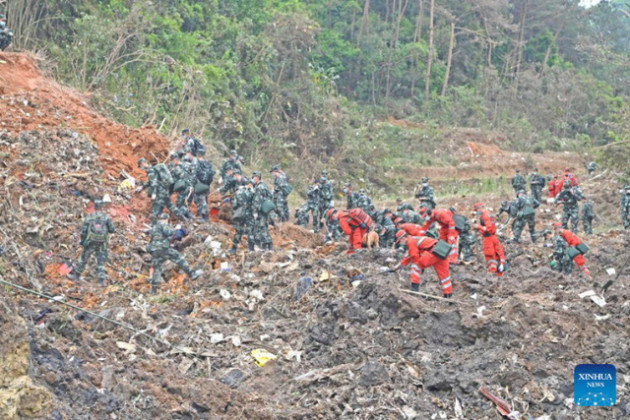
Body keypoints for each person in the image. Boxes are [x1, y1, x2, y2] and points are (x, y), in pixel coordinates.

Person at [148, 213, 203, 294]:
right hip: (162, 248)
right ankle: (192, 274)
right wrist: (177, 230)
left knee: (157, 268)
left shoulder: (154, 227)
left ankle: (153, 290)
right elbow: (170, 233)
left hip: (154, 250)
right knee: (179, 258)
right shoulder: (163, 224)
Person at [68, 199, 115, 285]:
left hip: (90, 242)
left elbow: (84, 231)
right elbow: (112, 230)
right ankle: (101, 281)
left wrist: (83, 241)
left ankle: (76, 276)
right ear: (102, 207)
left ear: (95, 206)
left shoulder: (89, 217)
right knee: (101, 261)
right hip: (102, 243)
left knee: (83, 258)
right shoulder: (106, 217)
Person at [391, 231, 452, 297]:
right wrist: (397, 267)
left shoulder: (410, 241)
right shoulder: (414, 239)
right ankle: (448, 294)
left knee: (415, 267)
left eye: (400, 241)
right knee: (445, 276)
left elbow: (414, 255)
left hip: (433, 253)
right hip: (441, 252)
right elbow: (409, 256)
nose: (401, 243)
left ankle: (414, 288)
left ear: (403, 238)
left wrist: (420, 266)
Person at [138, 157, 183, 223]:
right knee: (171, 206)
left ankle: (154, 227)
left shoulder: (150, 170)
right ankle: (185, 219)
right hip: (165, 190)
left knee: (155, 210)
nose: (140, 168)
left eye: (140, 166)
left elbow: (154, 183)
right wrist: (142, 186)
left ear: (143, 164)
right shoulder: (153, 168)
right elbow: (152, 181)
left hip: (159, 192)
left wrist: (154, 194)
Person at [473, 203, 505, 277]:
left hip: (488, 239)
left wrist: (478, 227)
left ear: (479, 208)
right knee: (498, 252)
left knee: (490, 256)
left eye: (477, 210)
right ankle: (498, 273)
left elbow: (488, 228)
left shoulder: (485, 216)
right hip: (493, 237)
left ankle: (492, 275)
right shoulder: (488, 214)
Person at [231, 178, 255, 253]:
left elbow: (234, 204)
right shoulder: (253, 193)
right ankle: (251, 250)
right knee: (250, 232)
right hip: (249, 215)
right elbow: (256, 204)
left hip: (240, 213)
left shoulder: (239, 191)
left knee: (238, 231)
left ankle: (233, 249)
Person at [251, 171, 274, 250]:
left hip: (261, 211)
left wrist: (255, 212)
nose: (253, 179)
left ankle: (266, 245)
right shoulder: (264, 185)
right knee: (261, 226)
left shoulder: (259, 188)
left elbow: (257, 201)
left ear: (257, 178)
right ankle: (262, 243)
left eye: (253, 177)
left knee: (262, 227)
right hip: (265, 210)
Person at [192, 149, 215, 221]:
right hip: (206, 184)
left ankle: (204, 217)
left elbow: (194, 175)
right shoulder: (208, 163)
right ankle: (200, 214)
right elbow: (213, 173)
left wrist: (192, 185)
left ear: (197, 155)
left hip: (199, 184)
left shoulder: (197, 163)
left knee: (201, 200)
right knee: (204, 199)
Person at [169, 153, 193, 220]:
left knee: (179, 205)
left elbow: (172, 179)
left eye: (172, 161)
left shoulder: (176, 168)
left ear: (175, 160)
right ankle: (190, 217)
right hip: (191, 188)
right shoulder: (188, 164)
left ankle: (185, 220)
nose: (172, 162)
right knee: (186, 204)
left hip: (184, 189)